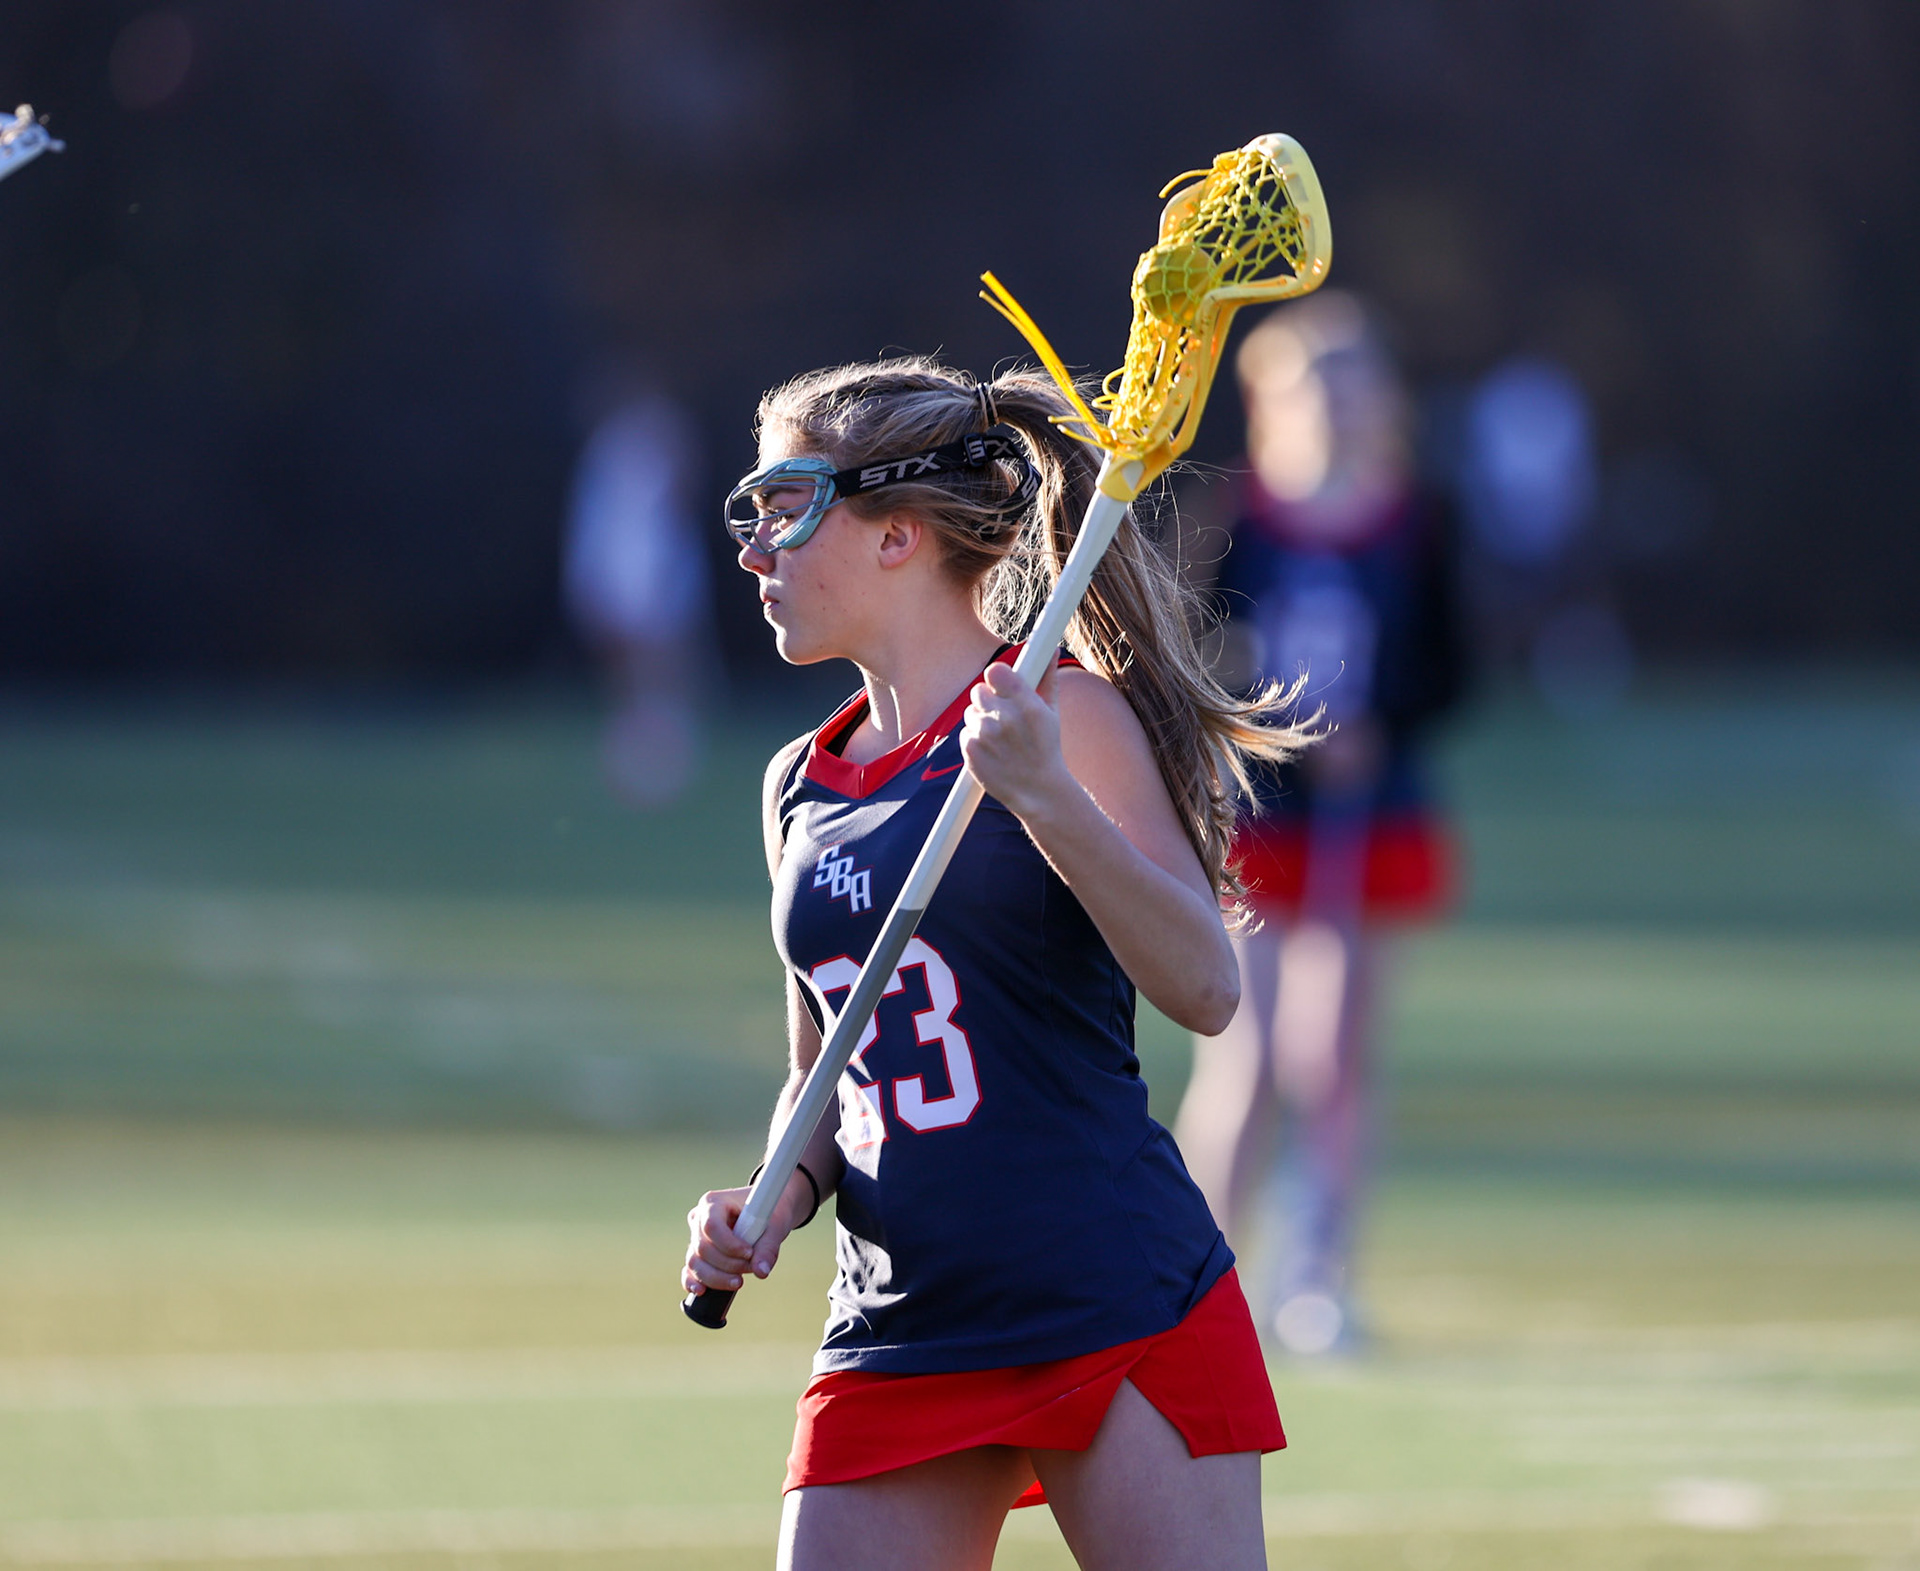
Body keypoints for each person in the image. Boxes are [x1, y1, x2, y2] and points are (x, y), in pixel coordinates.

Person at [681, 358, 1312, 1570]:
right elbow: (830, 1075)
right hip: (900, 1317)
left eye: (785, 504)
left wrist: (1043, 795)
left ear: (899, 534)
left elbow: (1207, 986)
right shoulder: (799, 784)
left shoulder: (1056, 718)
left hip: (1112, 1298)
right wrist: (769, 1196)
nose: (755, 549)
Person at [1173, 295, 1466, 1356]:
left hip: (1371, 815)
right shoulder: (1244, 522)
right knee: (1245, 1056)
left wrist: (1381, 722)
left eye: (1353, 380)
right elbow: (1200, 661)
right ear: (1270, 401)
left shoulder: (1418, 521)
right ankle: (1196, 1277)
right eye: (1312, 382)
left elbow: (1450, 667)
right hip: (1262, 819)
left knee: (1336, 1049)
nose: (1335, 404)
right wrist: (1283, 725)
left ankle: (1321, 1273)